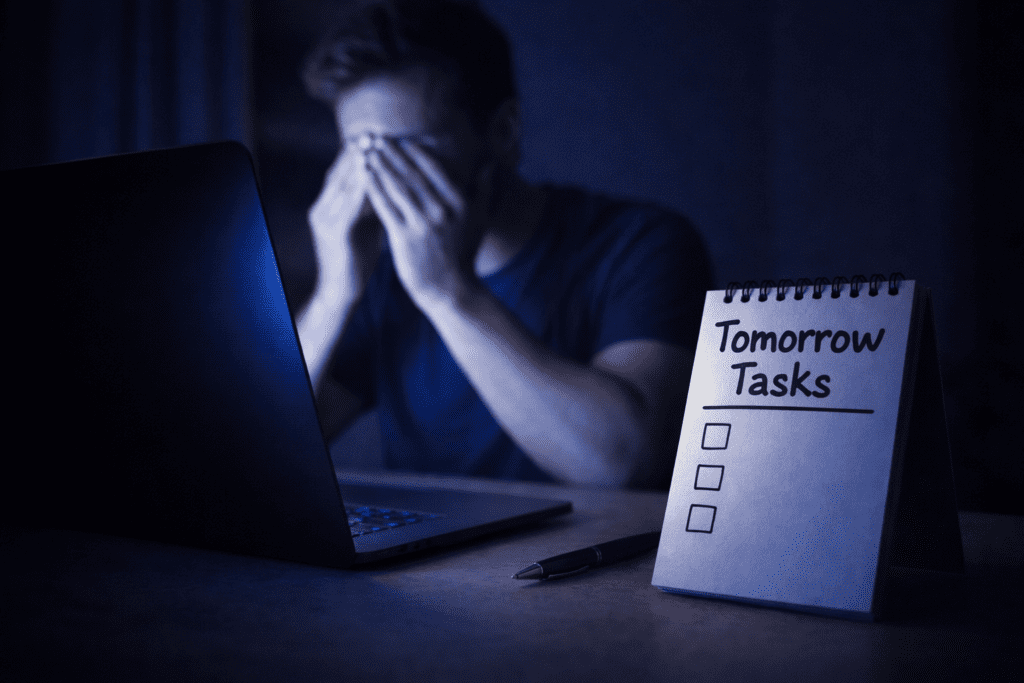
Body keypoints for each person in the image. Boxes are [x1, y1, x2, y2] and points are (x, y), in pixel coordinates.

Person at [296, 0, 712, 488]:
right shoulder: (379, 278)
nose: (379, 182)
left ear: (503, 132)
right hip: (421, 563)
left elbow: (620, 463)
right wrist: (332, 295)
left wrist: (448, 294)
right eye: (361, 154)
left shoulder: (642, 246)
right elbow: (263, 445)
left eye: (406, 150)